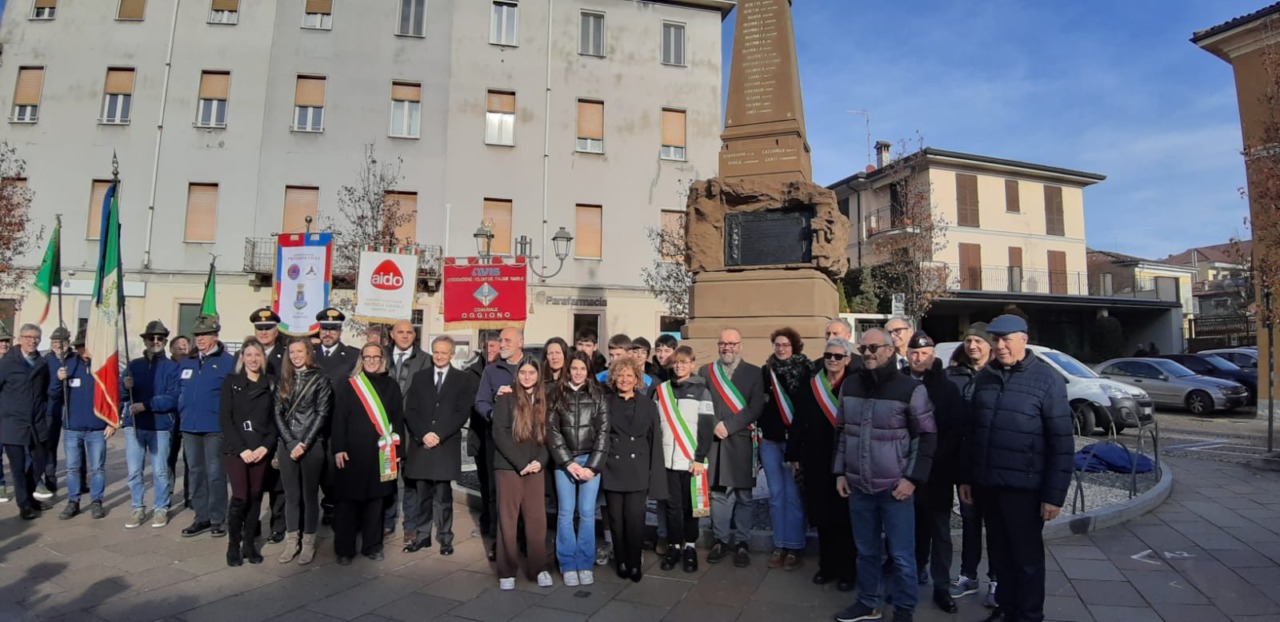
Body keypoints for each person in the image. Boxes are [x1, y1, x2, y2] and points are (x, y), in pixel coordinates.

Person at [959, 315, 1073, 622]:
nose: (1000, 346)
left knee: (1027, 559)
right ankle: (1006, 609)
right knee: (999, 555)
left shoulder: (1047, 380)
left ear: (1023, 339)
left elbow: (1061, 441)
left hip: (1025, 489)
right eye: (996, 340)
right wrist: (966, 478)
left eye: (1006, 340)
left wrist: (1053, 495)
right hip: (988, 485)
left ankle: (1029, 615)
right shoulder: (985, 377)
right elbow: (972, 432)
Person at [834, 328, 937, 622]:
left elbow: (926, 437)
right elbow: (842, 432)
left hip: (895, 489)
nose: (867, 354)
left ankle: (904, 609)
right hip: (858, 486)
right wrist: (840, 472)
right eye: (863, 349)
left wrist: (912, 479)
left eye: (874, 348)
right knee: (866, 551)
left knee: (902, 556)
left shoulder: (910, 389)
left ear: (890, 350)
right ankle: (868, 602)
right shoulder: (850, 385)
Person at [786, 338, 857, 592]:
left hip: (846, 459)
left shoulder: (855, 384)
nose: (832, 360)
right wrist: (793, 454)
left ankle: (848, 570)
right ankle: (827, 566)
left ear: (848, 359)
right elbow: (799, 420)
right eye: (828, 355)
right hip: (816, 458)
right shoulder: (812, 385)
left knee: (845, 516)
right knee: (822, 513)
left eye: (838, 356)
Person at [905, 332, 965, 614]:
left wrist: (932, 460)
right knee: (909, 529)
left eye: (925, 354)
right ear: (907, 355)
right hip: (904, 472)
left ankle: (942, 586)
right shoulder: (898, 383)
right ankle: (911, 576)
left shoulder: (946, 388)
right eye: (915, 354)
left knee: (940, 532)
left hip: (937, 472)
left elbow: (955, 430)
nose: (919, 359)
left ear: (933, 356)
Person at [402, 336, 478, 556]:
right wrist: (423, 434)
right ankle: (422, 536)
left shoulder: (462, 379)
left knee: (444, 496)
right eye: (436, 352)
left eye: (444, 352)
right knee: (422, 494)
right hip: (422, 445)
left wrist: (439, 434)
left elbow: (462, 411)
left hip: (445, 445)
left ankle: (445, 537)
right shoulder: (419, 378)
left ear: (451, 354)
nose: (439, 356)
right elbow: (411, 410)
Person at [332, 343, 403, 565]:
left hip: (381, 453)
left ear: (382, 359)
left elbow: (397, 419)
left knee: (376, 502)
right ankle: (344, 549)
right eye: (367, 357)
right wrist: (338, 447)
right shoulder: (349, 384)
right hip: (352, 452)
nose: (371, 361)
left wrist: (397, 450)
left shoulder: (392, 386)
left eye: (376, 357)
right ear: (361, 359)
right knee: (347, 504)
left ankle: (372, 546)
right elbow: (339, 418)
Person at [699, 328, 764, 568]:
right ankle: (721, 540)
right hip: (716, 441)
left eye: (732, 343)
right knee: (718, 493)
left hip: (742, 440)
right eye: (723, 344)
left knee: (744, 495)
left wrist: (729, 426)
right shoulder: (706, 371)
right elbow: (702, 403)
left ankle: (743, 542)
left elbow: (756, 407)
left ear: (740, 345)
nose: (727, 348)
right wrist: (715, 424)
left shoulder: (754, 372)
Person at [547, 351, 610, 586]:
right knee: (565, 513)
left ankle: (584, 562)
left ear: (588, 371)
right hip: (565, 463)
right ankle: (567, 563)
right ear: (568, 370)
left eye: (582, 368)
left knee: (586, 513)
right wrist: (567, 462)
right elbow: (552, 431)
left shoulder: (598, 395)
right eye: (574, 368)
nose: (578, 373)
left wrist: (592, 467)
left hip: (589, 462)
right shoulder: (556, 394)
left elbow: (603, 433)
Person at [946, 322, 997, 608]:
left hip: (993, 465)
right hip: (964, 464)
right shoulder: (953, 375)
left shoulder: (998, 374)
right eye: (968, 341)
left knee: (996, 524)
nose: (972, 345)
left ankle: (997, 579)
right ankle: (968, 575)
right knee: (970, 521)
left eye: (978, 341)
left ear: (990, 345)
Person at [602, 356, 666, 582]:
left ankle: (634, 561)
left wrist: (655, 476)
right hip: (612, 468)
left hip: (638, 469)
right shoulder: (605, 403)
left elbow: (654, 441)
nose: (624, 379)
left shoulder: (648, 405)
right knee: (616, 520)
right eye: (620, 375)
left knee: (635, 519)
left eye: (629, 375)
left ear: (637, 379)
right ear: (614, 378)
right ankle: (620, 559)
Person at [491, 357, 553, 590]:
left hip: (535, 467)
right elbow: (500, 433)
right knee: (508, 519)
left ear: (539, 375)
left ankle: (539, 568)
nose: (527, 377)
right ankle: (507, 570)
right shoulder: (506, 399)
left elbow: (549, 435)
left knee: (537, 519)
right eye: (523, 372)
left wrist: (540, 461)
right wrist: (520, 463)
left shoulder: (544, 400)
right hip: (509, 467)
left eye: (532, 373)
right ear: (517, 375)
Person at [275, 337, 334, 565]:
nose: (296, 356)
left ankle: (308, 542)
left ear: (308, 353)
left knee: (310, 496)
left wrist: (304, 443)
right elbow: (277, 413)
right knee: (291, 496)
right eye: (292, 352)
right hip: (288, 445)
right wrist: (291, 443)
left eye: (300, 351)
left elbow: (322, 414)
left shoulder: (321, 380)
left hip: (312, 444)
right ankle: (292, 542)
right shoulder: (284, 379)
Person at [177, 315, 237, 538]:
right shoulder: (188, 362)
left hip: (215, 427)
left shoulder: (228, 362)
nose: (200, 339)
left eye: (205, 335)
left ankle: (217, 518)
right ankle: (201, 516)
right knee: (196, 473)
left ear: (215, 336)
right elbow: (178, 390)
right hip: (190, 427)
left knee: (215, 474)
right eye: (197, 335)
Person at [655, 345, 714, 573]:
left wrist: (700, 458)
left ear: (692, 364)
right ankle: (673, 546)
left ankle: (689, 547)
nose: (679, 366)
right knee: (672, 507)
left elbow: (706, 429)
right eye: (676, 362)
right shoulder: (661, 391)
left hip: (691, 461)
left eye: (684, 362)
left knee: (691, 507)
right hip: (667, 461)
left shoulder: (702, 391)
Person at [220, 340, 277, 567]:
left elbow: (275, 420)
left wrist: (265, 446)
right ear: (242, 358)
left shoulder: (270, 383)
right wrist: (242, 449)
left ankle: (250, 545)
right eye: (249, 355)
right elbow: (225, 419)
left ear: (263, 358)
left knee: (255, 497)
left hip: (260, 448)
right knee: (240, 496)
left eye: (257, 355)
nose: (253, 359)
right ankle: (233, 545)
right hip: (237, 449)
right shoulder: (231, 382)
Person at [474, 326, 528, 558]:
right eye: (501, 340)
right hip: (496, 440)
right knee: (497, 492)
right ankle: (501, 541)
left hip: (526, 441)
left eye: (507, 340)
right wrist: (494, 412)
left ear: (520, 343)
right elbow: (480, 402)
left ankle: (525, 539)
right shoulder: (491, 370)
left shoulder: (533, 367)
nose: (502, 344)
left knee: (526, 492)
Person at [122, 320, 180, 529]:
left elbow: (172, 398)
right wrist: (125, 386)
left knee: (160, 471)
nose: (155, 341)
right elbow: (121, 395)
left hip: (160, 427)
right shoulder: (134, 365)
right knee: (134, 471)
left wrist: (146, 405)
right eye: (151, 338)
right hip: (135, 425)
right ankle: (137, 508)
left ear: (164, 341)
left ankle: (160, 508)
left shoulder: (172, 368)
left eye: (160, 338)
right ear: (145, 340)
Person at [760, 327, 809, 570]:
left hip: (794, 444)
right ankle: (779, 544)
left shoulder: (805, 370)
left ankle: (795, 546)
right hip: (770, 441)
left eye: (785, 345)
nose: (780, 349)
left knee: (793, 496)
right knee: (776, 496)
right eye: (777, 344)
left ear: (794, 347)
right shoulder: (766, 371)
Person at [51, 332, 113, 520]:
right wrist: (58, 380)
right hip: (72, 427)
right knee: (72, 468)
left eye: (86, 346)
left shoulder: (103, 366)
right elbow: (54, 395)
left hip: (97, 427)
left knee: (98, 468)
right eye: (80, 346)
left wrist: (112, 421)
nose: (83, 350)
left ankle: (96, 501)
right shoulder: (68, 365)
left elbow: (113, 395)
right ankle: (73, 501)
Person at [0, 324, 52, 519]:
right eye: (28, 337)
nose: (32, 341)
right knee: (18, 467)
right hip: (12, 423)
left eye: (36, 337)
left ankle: (31, 496)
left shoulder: (42, 362)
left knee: (39, 461)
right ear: (20, 339)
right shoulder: (7, 363)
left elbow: (44, 389)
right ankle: (24, 505)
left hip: (37, 422)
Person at [386, 319, 430, 545]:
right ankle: (387, 520)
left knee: (411, 478)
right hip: (385, 427)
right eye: (400, 332)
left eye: (409, 332)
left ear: (415, 335)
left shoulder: (426, 360)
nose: (405, 336)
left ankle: (411, 525)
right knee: (387, 476)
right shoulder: (380, 356)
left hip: (413, 428)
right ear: (392, 334)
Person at [248, 307, 288, 544]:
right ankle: (252, 525)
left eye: (268, 328)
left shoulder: (286, 355)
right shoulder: (245, 354)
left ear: (276, 330)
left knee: (277, 482)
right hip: (251, 429)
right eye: (259, 328)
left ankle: (278, 525)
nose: (263, 332)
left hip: (277, 426)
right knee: (252, 483)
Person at [315, 308, 360, 383]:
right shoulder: (309, 352)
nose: (327, 334)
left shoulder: (353, 356)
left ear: (340, 332)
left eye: (332, 329)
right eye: (324, 329)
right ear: (319, 330)